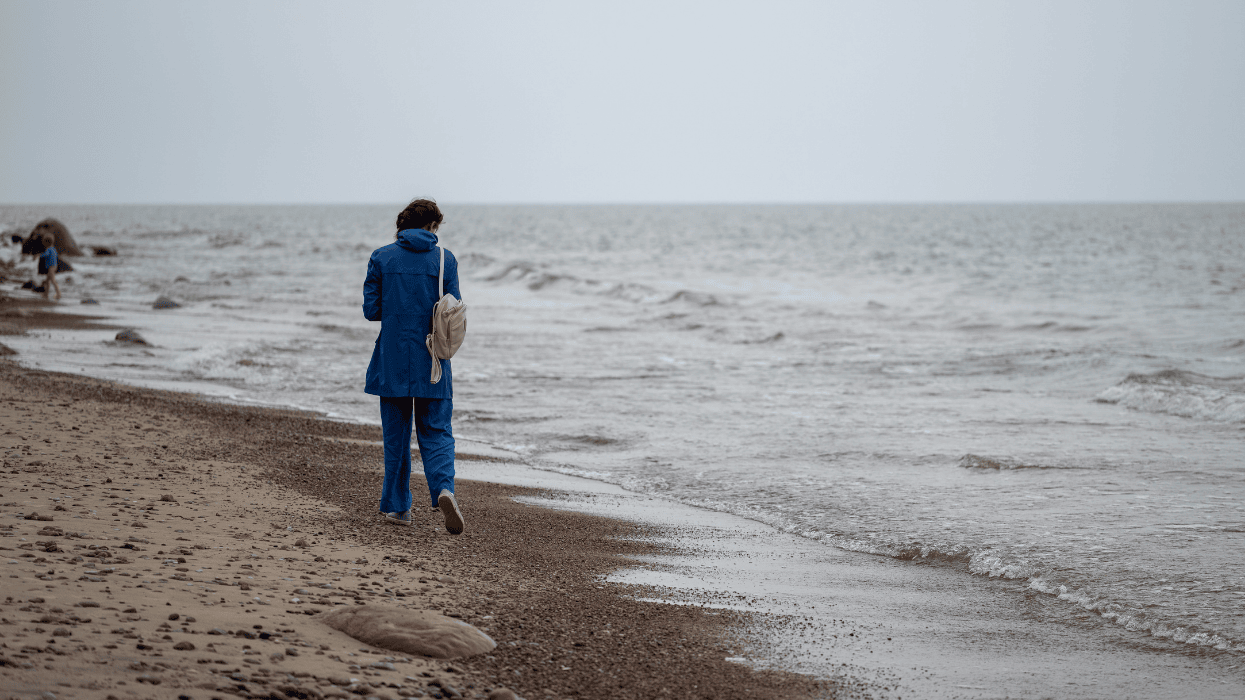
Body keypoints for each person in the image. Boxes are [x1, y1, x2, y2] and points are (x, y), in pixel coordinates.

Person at [362, 198, 464, 534]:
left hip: (392, 359)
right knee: (436, 431)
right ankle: (444, 489)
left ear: (403, 225)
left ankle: (399, 507)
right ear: (433, 227)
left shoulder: (381, 257)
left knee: (396, 436)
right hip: (432, 358)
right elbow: (453, 308)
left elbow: (371, 310)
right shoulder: (444, 259)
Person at [37, 233, 61, 301]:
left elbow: (46, 254)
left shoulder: (49, 249)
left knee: (52, 281)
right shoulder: (54, 249)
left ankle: (58, 293)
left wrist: (39, 255)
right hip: (54, 266)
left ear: (47, 242)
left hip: (51, 267)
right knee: (48, 281)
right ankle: (46, 293)